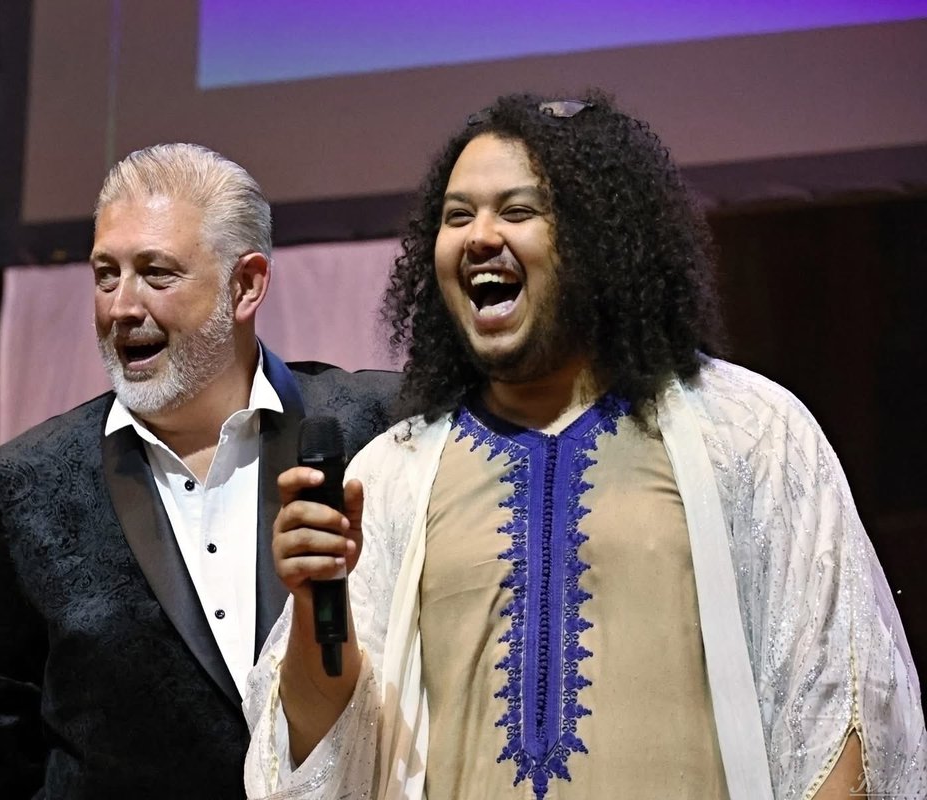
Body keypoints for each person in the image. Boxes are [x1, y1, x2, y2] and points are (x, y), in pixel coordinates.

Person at [244, 92, 926, 800]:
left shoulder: (751, 433)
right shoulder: (394, 473)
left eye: (517, 211)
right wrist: (313, 606)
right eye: (457, 216)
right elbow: (324, 755)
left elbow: (841, 713)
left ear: (600, 238)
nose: (479, 236)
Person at [0, 143, 398, 797]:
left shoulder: (377, 428)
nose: (121, 306)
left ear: (246, 285)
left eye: (156, 273)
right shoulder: (28, 484)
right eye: (105, 275)